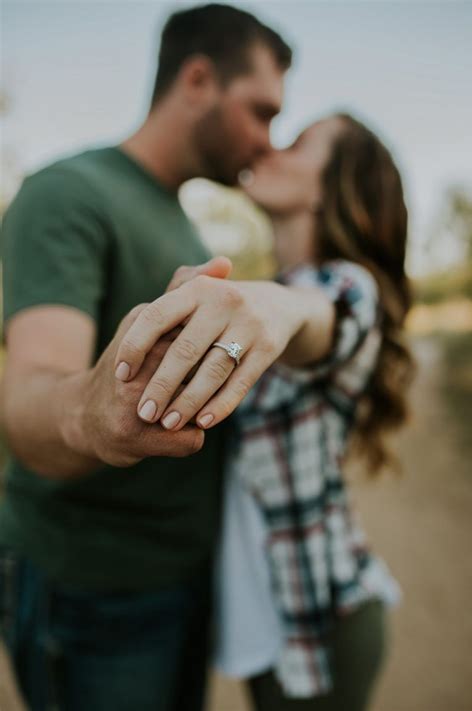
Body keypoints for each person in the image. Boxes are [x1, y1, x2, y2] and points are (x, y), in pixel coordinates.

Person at [0, 4, 294, 710]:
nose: (267, 139)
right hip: (97, 593)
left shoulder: (184, 223)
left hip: (186, 579)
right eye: (261, 110)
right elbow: (27, 394)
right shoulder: (69, 192)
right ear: (197, 80)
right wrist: (93, 411)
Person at [211, 114, 415, 711]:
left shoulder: (347, 289)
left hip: (327, 626)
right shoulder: (281, 290)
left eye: (298, 143)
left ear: (330, 188)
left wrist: (278, 305)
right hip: (277, 624)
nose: (271, 146)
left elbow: (322, 314)